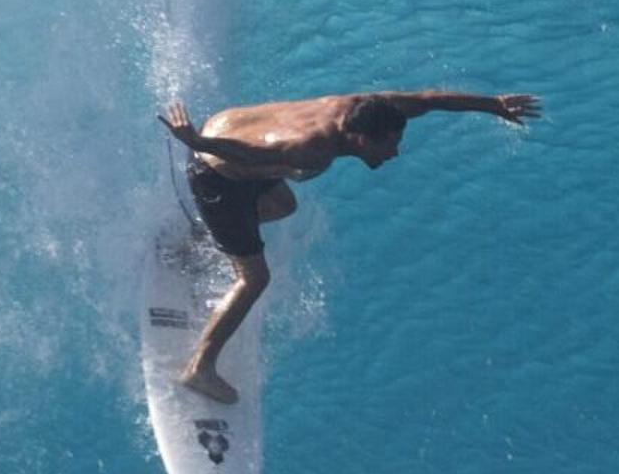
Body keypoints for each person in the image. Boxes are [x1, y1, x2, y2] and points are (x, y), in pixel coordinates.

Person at [157, 88, 541, 401]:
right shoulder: (313, 148)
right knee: (254, 279)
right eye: (388, 146)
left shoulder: (366, 108)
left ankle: (201, 241)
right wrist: (196, 141)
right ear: (360, 138)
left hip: (235, 134)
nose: (394, 153)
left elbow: (429, 99)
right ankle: (199, 368)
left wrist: (493, 106)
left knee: (282, 204)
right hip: (218, 171)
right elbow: (251, 154)